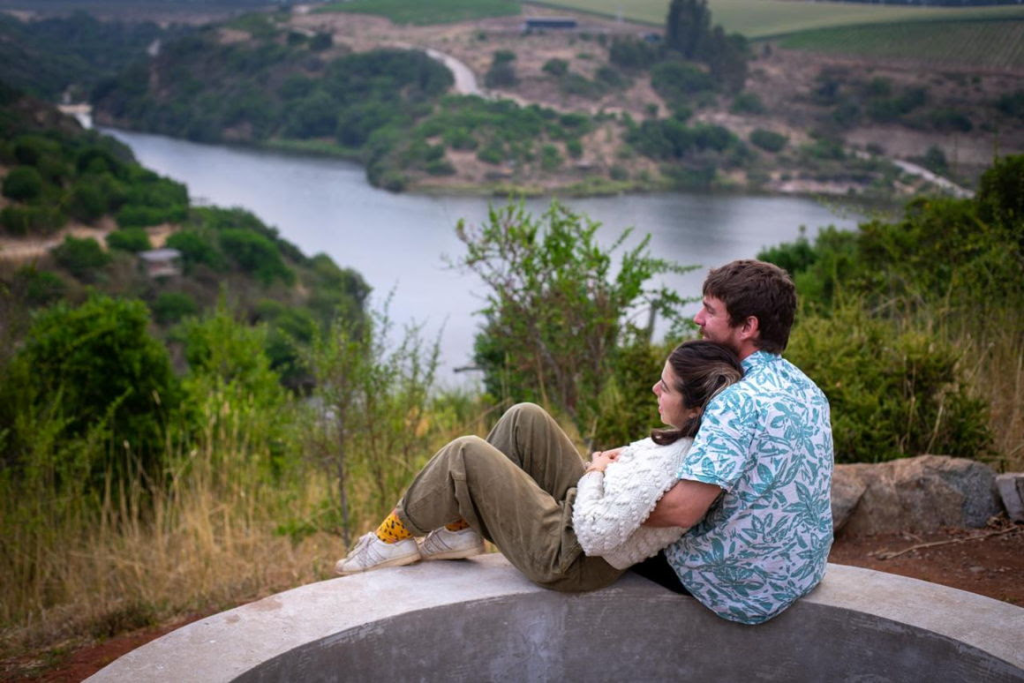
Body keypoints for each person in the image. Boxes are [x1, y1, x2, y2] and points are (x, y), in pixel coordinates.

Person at [334, 341, 744, 593]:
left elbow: (598, 534)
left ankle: (390, 537)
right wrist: (602, 469)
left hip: (569, 558)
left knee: (466, 452)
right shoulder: (696, 440)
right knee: (523, 417)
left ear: (694, 406)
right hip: (578, 521)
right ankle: (461, 531)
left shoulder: (677, 460)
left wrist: (595, 473)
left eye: (665, 386)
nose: (655, 388)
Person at [642, 259, 834, 625]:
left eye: (710, 311)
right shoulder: (807, 388)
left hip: (736, 587)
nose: (697, 318)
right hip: (798, 572)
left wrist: (602, 498)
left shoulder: (736, 400)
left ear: (748, 326)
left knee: (591, 539)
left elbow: (682, 511)